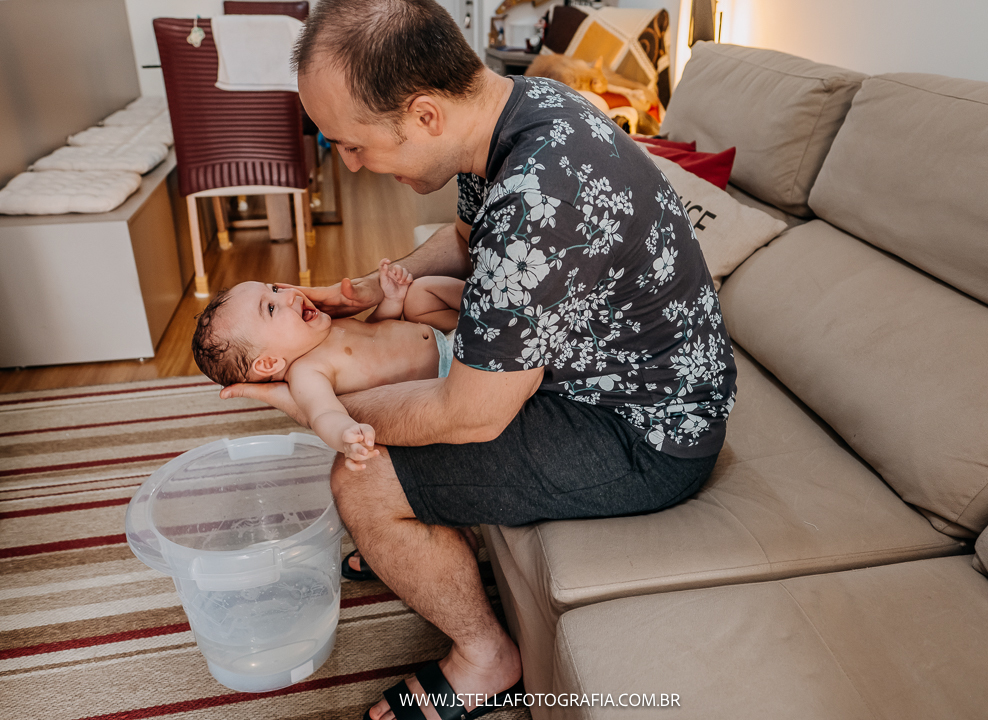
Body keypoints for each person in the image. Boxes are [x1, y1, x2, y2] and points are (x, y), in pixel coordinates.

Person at [222, 0, 737, 717]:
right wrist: (369, 289)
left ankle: (486, 660)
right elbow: (469, 239)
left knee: (361, 482)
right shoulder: (515, 111)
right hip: (608, 376)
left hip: (644, 434)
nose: (349, 162)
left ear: (426, 115)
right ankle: (421, 533)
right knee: (397, 361)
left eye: (354, 143)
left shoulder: (540, 196)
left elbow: (469, 416)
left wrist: (316, 408)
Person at [192, 261, 464, 469]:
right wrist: (345, 435)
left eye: (274, 289)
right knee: (425, 292)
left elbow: (375, 335)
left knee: (420, 292)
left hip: (440, 331)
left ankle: (484, 302)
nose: (288, 295)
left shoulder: (321, 328)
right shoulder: (307, 373)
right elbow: (323, 414)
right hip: (447, 372)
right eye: (271, 308)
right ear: (269, 362)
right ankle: (490, 320)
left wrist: (392, 301)